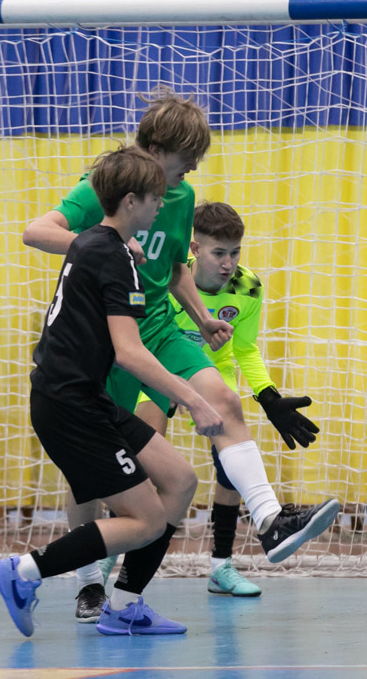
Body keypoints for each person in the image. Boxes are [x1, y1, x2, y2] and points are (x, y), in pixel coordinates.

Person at [22, 88, 340, 623]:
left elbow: (173, 267)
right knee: (92, 477)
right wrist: (106, 245)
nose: (192, 167)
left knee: (224, 401)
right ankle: (88, 581)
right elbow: (37, 231)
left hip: (160, 327)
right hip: (112, 340)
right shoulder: (106, 187)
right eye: (185, 156)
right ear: (154, 149)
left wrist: (201, 318)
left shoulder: (182, 196)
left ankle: (269, 520)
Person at [0, 146, 224, 637]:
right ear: (131, 201)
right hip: (69, 406)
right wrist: (195, 399)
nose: (162, 207)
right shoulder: (111, 255)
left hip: (82, 398)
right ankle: (23, 571)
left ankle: (125, 606)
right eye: (156, 199)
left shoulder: (100, 244)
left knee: (180, 480)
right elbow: (129, 353)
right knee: (147, 519)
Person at [126, 200, 320, 598]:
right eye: (219, 253)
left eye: (235, 252)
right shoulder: (167, 278)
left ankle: (221, 566)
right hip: (161, 366)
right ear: (195, 249)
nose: (229, 263)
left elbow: (244, 349)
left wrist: (268, 396)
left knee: (230, 464)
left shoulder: (248, 288)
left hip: (212, 371)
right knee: (142, 460)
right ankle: (111, 559)